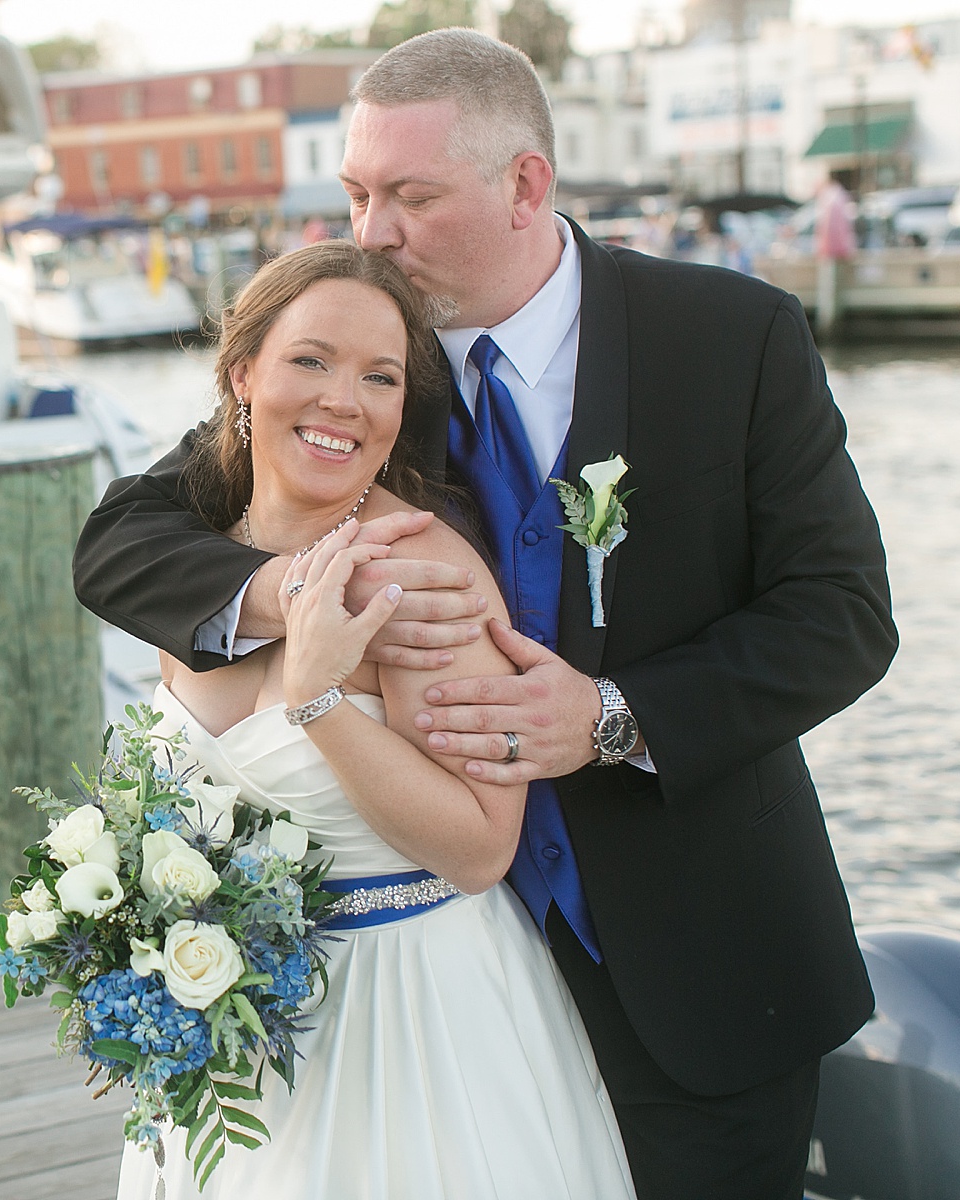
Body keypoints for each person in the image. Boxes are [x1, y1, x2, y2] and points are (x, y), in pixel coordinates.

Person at [75, 29, 896, 1200]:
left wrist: (612, 715)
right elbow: (123, 540)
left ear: (526, 185)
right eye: (357, 193)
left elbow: (844, 614)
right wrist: (301, 604)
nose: (373, 234)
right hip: (439, 984)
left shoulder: (731, 337)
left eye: (410, 196)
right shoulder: (359, 370)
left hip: (705, 963)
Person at [115, 240, 636, 1199]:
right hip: (237, 1041)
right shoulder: (194, 579)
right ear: (243, 374)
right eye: (310, 360)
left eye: (380, 376)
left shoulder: (417, 575)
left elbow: (483, 847)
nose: (343, 400)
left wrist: (319, 703)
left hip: (413, 1021)